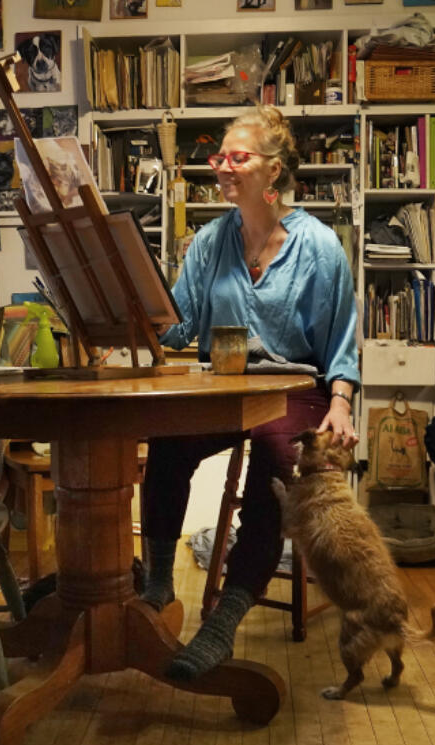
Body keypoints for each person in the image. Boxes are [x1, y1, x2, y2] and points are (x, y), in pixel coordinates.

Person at [141, 104, 360, 680]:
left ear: (275, 170)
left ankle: (224, 617)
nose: (223, 168)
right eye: (220, 157)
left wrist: (340, 401)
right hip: (227, 385)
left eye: (238, 157)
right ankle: (156, 588)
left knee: (274, 461)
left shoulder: (319, 247)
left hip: (295, 390)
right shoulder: (210, 242)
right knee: (167, 442)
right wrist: (131, 302)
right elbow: (178, 327)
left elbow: (340, 342)